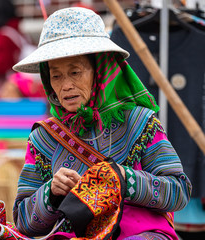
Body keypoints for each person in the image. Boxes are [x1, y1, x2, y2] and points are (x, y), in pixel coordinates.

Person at [12, 7, 192, 240]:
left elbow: (178, 192)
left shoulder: (140, 123)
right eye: (56, 76)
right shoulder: (44, 138)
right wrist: (51, 193)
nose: (65, 85)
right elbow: (24, 223)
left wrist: (122, 178)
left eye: (75, 72)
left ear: (100, 70)